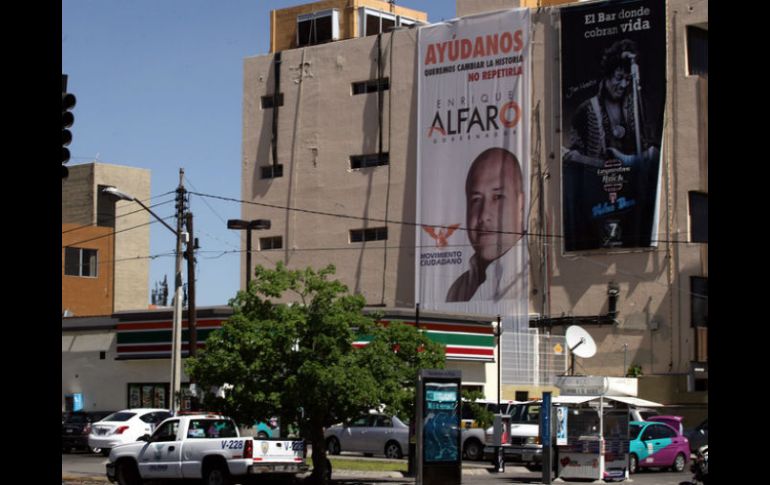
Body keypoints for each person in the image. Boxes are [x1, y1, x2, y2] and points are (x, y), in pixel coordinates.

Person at [562, 38, 660, 249]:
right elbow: (574, 159)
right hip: (597, 201)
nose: (623, 85)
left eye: (627, 79)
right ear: (606, 75)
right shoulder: (586, 111)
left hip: (633, 199)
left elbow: (651, 149)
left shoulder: (638, 107)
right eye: (618, 78)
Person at [446, 147, 524, 302]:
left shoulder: (530, 277)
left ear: (520, 204)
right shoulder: (458, 291)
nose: (483, 215)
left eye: (498, 197)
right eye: (476, 200)